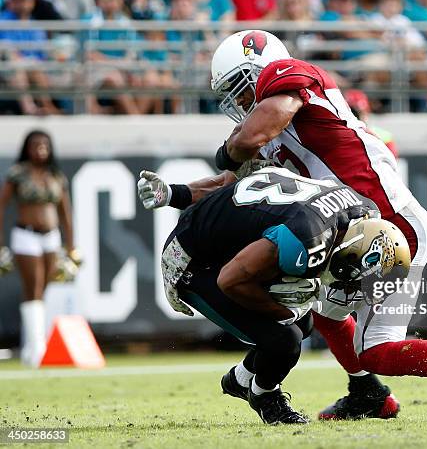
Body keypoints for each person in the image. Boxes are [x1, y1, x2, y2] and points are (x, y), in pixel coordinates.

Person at [140, 30, 427, 421]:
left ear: (259, 69)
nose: (237, 101)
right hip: (351, 227)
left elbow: (253, 135)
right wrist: (173, 193)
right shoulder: (270, 132)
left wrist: (228, 150)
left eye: (239, 87)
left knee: (377, 348)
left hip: (390, 225)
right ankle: (367, 394)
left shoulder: (288, 79)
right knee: (329, 316)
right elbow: (233, 187)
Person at [144, 166, 407, 424]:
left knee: (305, 323)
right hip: (195, 263)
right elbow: (230, 280)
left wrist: (176, 194)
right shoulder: (309, 238)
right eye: (355, 277)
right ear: (351, 250)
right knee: (285, 338)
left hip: (226, 243)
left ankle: (242, 378)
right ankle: (265, 397)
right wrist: (283, 313)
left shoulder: (360, 211)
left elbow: (238, 189)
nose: (351, 286)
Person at [0, 130, 80, 367]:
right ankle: (37, 349)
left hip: (51, 236)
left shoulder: (55, 175)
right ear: (27, 148)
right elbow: (1, 207)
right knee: (32, 286)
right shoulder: (18, 174)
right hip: (26, 234)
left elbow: (66, 212)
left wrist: (71, 246)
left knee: (44, 288)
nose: (40, 149)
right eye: (35, 145)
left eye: (44, 145)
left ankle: (31, 345)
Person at [0, 0, 61, 115]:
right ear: (9, 2)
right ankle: (30, 109)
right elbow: (7, 50)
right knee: (18, 66)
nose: (22, 3)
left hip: (33, 67)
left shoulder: (35, 25)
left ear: (32, 1)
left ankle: (48, 107)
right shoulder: (3, 21)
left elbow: (41, 54)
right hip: (8, 69)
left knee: (33, 67)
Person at [344, 88, 398, 158]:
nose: (356, 117)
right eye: (352, 112)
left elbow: (392, 163)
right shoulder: (333, 136)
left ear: (367, 112)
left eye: (359, 112)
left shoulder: (384, 137)